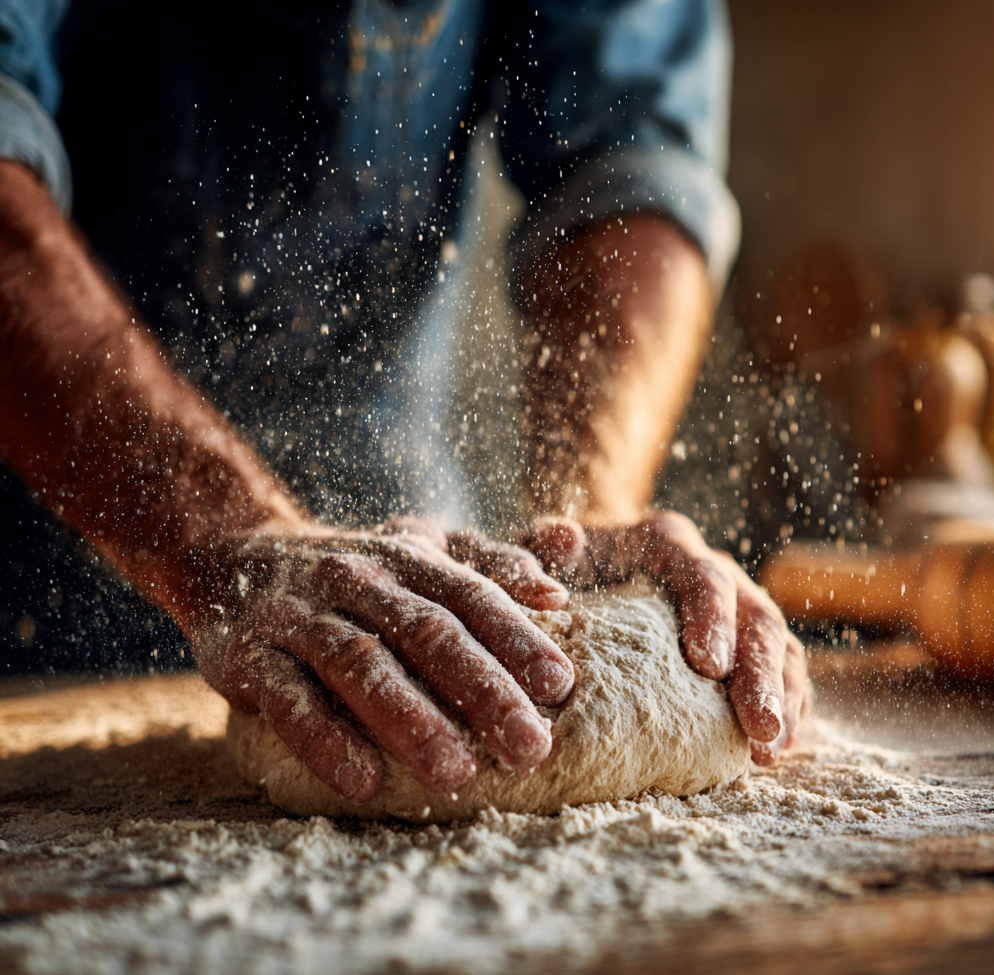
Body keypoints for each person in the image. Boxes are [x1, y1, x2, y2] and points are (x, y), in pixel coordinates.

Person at [0, 0, 807, 802]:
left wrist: (582, 520)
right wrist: (222, 537)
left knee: (431, 696)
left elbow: (626, 159)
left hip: (411, 587)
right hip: (40, 566)